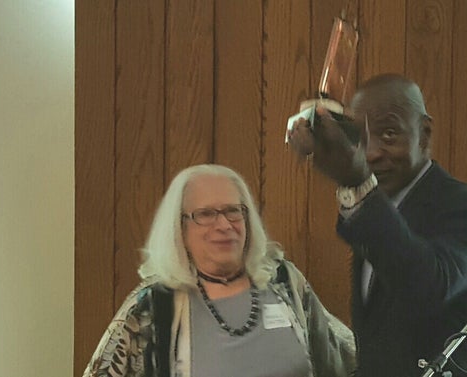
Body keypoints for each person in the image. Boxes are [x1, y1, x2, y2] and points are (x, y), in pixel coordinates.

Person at [83, 164, 355, 377]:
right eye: (206, 214)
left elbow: (345, 358)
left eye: (233, 211)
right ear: (180, 228)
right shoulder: (152, 305)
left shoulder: (284, 280)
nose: (224, 224)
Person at [287, 73, 467, 376]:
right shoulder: (380, 209)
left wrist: (357, 183)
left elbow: (429, 287)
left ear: (424, 133)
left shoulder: (457, 204)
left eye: (388, 134)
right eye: (361, 138)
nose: (371, 153)